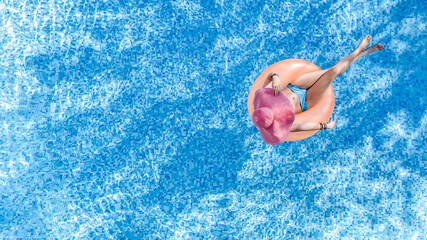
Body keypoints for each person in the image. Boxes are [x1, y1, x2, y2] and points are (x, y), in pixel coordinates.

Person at [263, 35, 384, 132]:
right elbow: (301, 127)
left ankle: (360, 52)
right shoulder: (278, 125)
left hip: (296, 87)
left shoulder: (264, 100)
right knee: (335, 71)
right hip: (306, 101)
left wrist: (275, 78)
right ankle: (360, 51)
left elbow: (271, 75)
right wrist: (324, 126)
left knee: (332, 70)